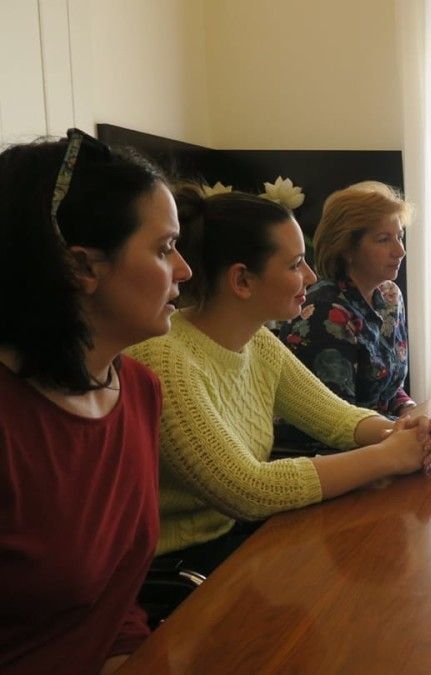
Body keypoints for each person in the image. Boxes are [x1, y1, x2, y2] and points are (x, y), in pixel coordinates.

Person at [127, 185, 431, 576]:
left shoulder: (257, 340)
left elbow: (338, 417)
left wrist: (401, 430)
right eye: (295, 265)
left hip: (238, 542)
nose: (311, 276)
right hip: (178, 569)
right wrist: (390, 454)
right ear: (242, 281)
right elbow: (250, 490)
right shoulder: (164, 359)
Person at [0, 131, 192, 673]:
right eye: (164, 248)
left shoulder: (138, 390)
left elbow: (114, 598)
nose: (184, 270)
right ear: (81, 268)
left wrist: (129, 651)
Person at [276, 182, 415, 448]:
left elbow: (386, 383)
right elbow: (338, 425)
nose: (400, 251)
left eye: (399, 236)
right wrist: (405, 432)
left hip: (383, 444)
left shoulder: (389, 297)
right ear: (347, 248)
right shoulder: (325, 314)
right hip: (329, 460)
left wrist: (409, 411)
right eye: (384, 239)